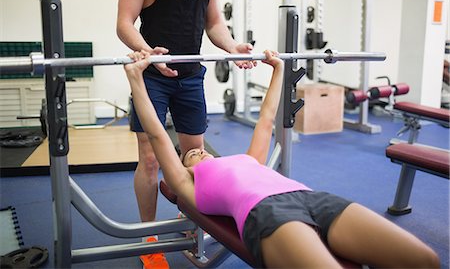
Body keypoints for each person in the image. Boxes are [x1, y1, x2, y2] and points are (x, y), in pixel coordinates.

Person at [124, 50, 440, 269]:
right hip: (268, 213)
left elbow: (265, 119)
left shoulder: (250, 159)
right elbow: (157, 133)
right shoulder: (189, 186)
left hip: (314, 199)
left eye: (198, 147)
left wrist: (278, 70)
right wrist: (136, 79)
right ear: (185, 171)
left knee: (424, 260)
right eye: (190, 154)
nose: (199, 149)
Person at [116, 0, 255, 266]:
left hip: (191, 76)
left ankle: (190, 222)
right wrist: (147, 52)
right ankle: (150, 238)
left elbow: (214, 22)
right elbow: (124, 23)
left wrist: (232, 46)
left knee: (194, 157)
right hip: (152, 76)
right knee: (151, 158)